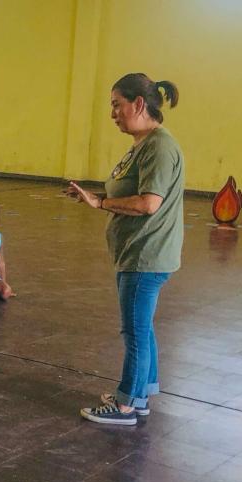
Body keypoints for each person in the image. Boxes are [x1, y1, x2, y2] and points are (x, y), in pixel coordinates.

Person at [66, 73, 183, 426]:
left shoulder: (160, 147)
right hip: (135, 252)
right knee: (142, 326)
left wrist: (100, 203)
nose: (113, 113)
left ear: (139, 104)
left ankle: (126, 404)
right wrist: (95, 197)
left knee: (134, 330)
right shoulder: (144, 143)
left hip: (145, 255)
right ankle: (141, 393)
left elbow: (149, 203)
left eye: (117, 105)